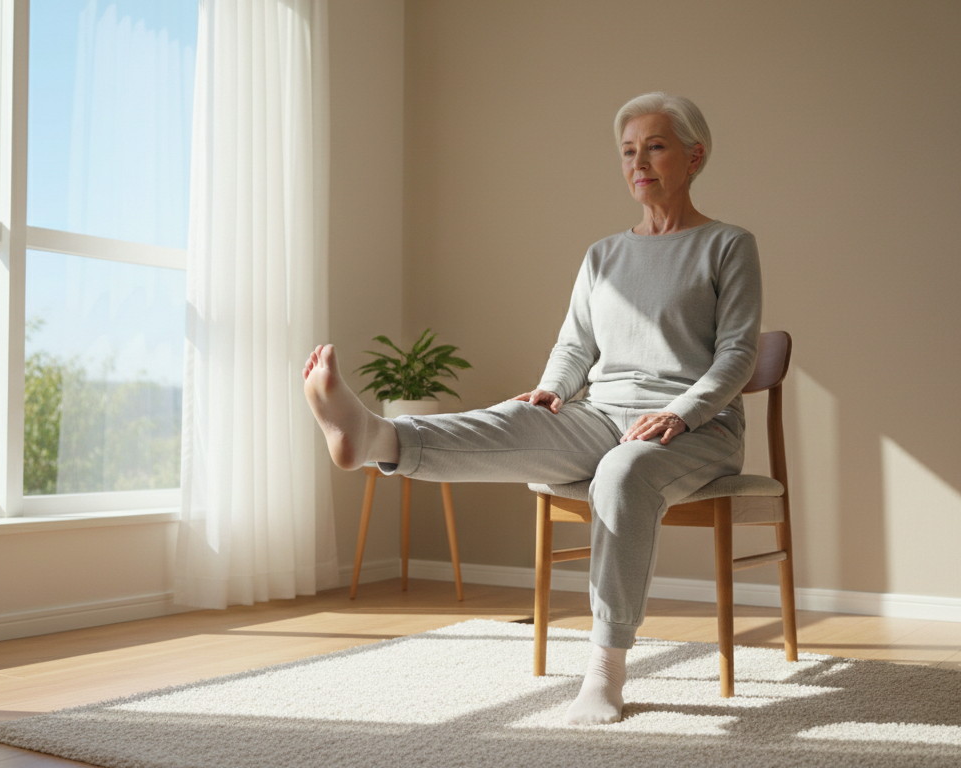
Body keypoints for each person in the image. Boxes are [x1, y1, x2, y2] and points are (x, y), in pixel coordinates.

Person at [303, 92, 761, 725]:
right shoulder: (604, 255)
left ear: (694, 156)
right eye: (628, 151)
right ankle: (378, 438)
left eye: (654, 147)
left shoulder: (728, 245)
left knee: (624, 471)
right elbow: (575, 346)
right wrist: (553, 389)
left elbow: (737, 356)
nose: (638, 163)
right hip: (603, 413)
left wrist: (682, 412)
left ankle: (605, 670)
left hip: (698, 428)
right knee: (519, 417)